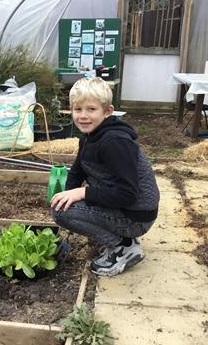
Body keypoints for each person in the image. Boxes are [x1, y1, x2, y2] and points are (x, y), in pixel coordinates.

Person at [50, 77, 159, 276]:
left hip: (136, 216)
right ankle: (124, 239)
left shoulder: (115, 142)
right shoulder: (90, 136)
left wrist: (82, 194)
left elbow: (127, 194)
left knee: (61, 213)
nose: (83, 116)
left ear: (107, 111)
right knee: (62, 206)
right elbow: (77, 170)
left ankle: (123, 247)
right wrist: (66, 196)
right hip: (127, 209)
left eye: (91, 109)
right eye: (78, 109)